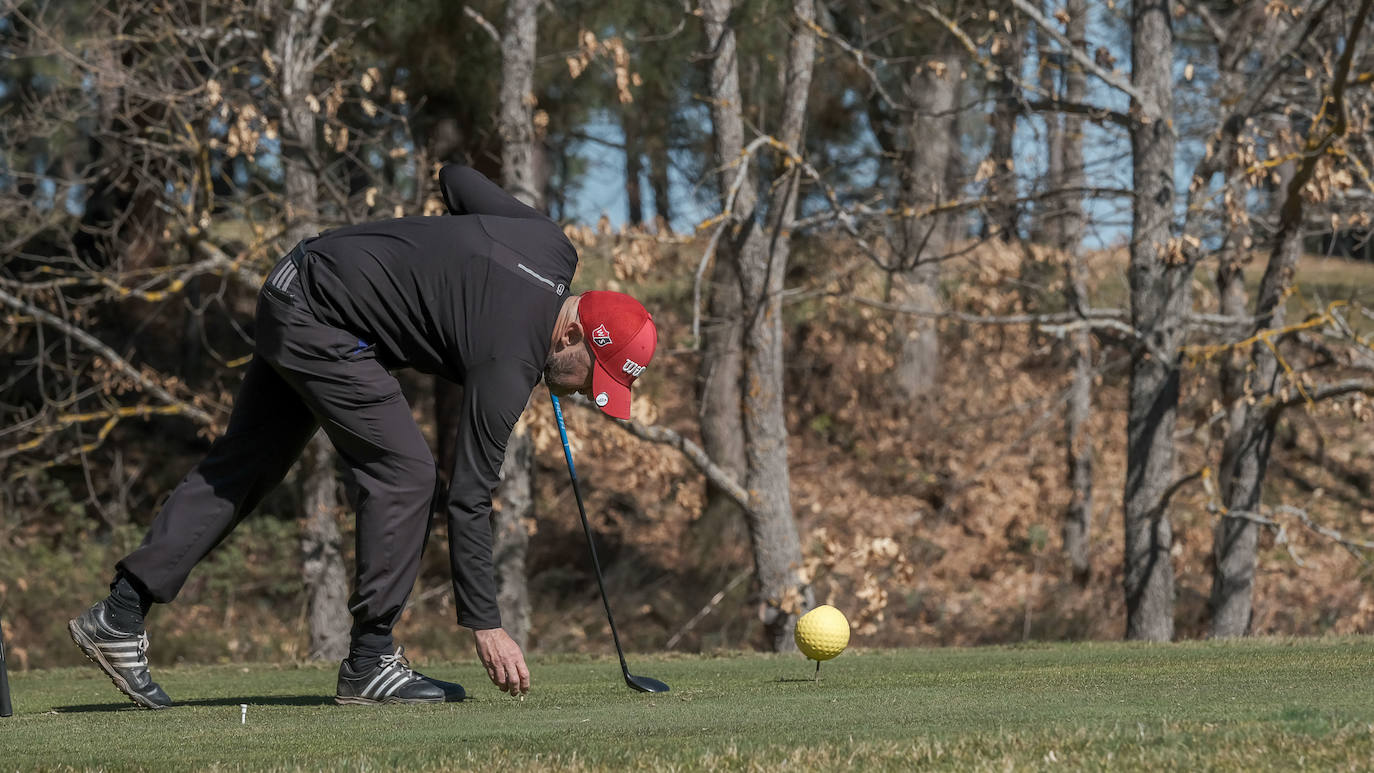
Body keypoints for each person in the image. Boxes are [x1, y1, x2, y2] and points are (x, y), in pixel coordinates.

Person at [67, 165, 658, 708]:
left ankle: (118, 616)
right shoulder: (509, 359)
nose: (584, 393)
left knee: (246, 464)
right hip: (320, 319)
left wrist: (450, 273)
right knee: (407, 471)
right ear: (572, 337)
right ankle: (371, 662)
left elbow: (455, 179)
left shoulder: (552, 244)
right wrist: (487, 623)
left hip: (292, 286)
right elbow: (469, 497)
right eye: (593, 379)